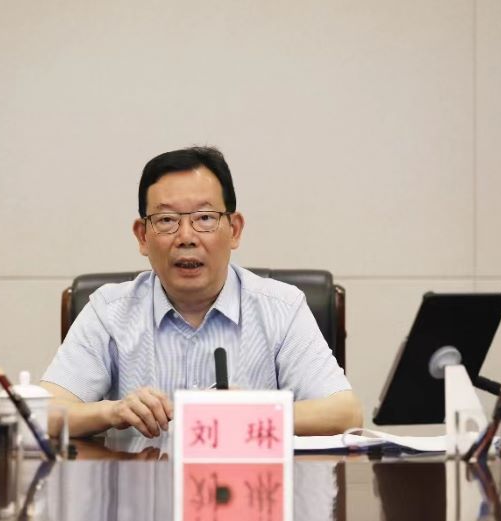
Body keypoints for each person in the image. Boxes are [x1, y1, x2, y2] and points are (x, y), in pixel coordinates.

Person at [41, 146, 362, 437]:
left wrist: (253, 412)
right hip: (141, 483)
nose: (186, 237)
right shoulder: (109, 312)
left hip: (248, 483)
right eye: (166, 220)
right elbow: (41, 414)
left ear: (234, 230)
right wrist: (112, 412)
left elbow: (345, 414)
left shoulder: (282, 308)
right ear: (142, 236)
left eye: (205, 218)